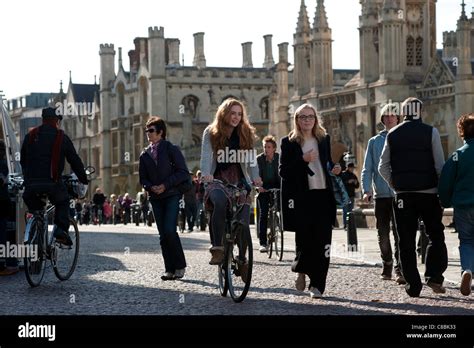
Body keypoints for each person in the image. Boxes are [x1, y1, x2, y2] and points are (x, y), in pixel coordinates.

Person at [379, 97, 448, 297]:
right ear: (421, 111)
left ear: (403, 113)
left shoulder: (392, 134)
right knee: (435, 235)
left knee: (405, 240)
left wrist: (394, 184)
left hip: (403, 196)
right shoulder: (431, 132)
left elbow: (382, 166)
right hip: (428, 194)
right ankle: (434, 276)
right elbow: (439, 166)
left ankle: (413, 285)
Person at [279, 103, 337, 299]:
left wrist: (335, 167)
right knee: (304, 241)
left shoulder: (323, 139)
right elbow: (284, 172)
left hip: (322, 195)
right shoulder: (288, 142)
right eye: (302, 117)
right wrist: (302, 159)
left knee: (323, 242)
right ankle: (302, 270)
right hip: (303, 197)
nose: (307, 120)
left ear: (315, 119)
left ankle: (318, 284)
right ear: (296, 120)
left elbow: (327, 162)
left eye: (310, 116)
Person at [200, 98, 262, 267]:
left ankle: (242, 259)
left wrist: (255, 178)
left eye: (239, 114)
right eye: (232, 113)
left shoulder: (246, 133)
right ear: (224, 113)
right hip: (217, 178)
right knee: (219, 202)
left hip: (239, 179)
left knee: (242, 222)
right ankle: (217, 248)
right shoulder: (211, 132)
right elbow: (206, 157)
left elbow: (251, 161)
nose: (236, 117)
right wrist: (206, 174)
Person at [20, 107, 88, 246]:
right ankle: (60, 231)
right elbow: (74, 160)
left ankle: (34, 231)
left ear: (43, 120)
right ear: (57, 121)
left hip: (31, 186)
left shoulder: (31, 135)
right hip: (52, 184)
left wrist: (28, 178)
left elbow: (23, 160)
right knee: (63, 201)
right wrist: (83, 178)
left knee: (36, 209)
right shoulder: (61, 137)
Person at [139, 116, 188, 280]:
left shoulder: (171, 149)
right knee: (162, 234)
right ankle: (169, 269)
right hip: (155, 198)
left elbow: (182, 172)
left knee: (169, 230)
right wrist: (149, 187)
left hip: (171, 195)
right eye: (147, 131)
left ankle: (180, 266)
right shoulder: (144, 155)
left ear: (160, 132)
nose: (148, 134)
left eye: (151, 131)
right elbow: (143, 179)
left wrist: (165, 185)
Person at [361, 103, 405, 284]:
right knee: (383, 233)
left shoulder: (404, 138)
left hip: (399, 194)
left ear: (398, 118)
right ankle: (387, 262)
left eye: (392, 115)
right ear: (382, 119)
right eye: (385, 116)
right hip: (380, 196)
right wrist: (366, 190)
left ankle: (399, 269)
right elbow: (367, 168)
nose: (389, 118)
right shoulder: (374, 142)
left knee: (400, 233)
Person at [439, 113, 474, 296]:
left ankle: (467, 269)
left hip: (463, 207)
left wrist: (444, 201)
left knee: (467, 241)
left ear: (461, 132)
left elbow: (445, 182)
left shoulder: (457, 155)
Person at [256, 135, 280, 252]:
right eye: (265, 147)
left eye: (269, 147)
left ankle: (277, 226)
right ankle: (263, 243)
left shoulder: (279, 158)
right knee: (264, 214)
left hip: (277, 187)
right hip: (263, 188)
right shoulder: (259, 159)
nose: (266, 149)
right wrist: (258, 186)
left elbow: (283, 175)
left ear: (274, 148)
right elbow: (255, 176)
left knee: (280, 210)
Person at [0, 140, 18, 275]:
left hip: (2, 202)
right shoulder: (3, 164)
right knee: (3, 234)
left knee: (3, 234)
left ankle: (7, 264)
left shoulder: (2, 165)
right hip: (3, 202)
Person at [341, 162, 360, 229]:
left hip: (351, 195)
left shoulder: (353, 175)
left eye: (353, 168)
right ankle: (345, 225)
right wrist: (348, 182)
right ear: (348, 168)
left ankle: (350, 224)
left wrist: (356, 183)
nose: (352, 169)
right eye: (351, 168)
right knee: (345, 210)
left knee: (350, 210)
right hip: (345, 195)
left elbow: (357, 186)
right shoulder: (343, 174)